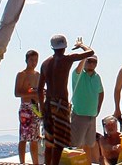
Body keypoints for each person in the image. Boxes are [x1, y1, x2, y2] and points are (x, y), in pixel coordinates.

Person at [38, 34, 94, 165]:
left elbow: (39, 89)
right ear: (65, 46)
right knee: (59, 142)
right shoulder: (66, 59)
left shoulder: (45, 63)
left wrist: (42, 108)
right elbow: (90, 52)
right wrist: (81, 45)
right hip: (60, 104)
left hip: (48, 104)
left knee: (49, 142)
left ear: (52, 47)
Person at [72, 51, 105, 162]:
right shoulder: (78, 74)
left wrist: (98, 108)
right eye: (89, 61)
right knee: (77, 144)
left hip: (92, 115)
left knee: (89, 144)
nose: (91, 63)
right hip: (79, 114)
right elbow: (78, 68)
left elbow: (101, 92)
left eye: (94, 62)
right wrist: (84, 56)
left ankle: (88, 163)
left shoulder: (97, 77)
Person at [15, 49, 42, 165]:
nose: (34, 62)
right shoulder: (22, 74)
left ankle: (35, 162)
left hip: (36, 107)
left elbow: (40, 93)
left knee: (35, 138)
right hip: (26, 107)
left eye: (36, 60)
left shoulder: (38, 75)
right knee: (24, 137)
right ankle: (22, 162)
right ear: (26, 60)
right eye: (31, 60)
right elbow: (17, 93)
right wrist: (32, 93)